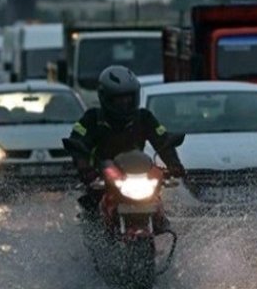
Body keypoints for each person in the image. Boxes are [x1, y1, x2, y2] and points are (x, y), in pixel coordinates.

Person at [66, 66, 185, 231]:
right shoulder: (92, 119)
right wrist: (84, 167)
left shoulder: (144, 117)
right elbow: (77, 141)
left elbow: (162, 140)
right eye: (119, 99)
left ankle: (159, 228)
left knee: (161, 212)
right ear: (105, 98)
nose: (125, 103)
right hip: (102, 179)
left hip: (137, 174)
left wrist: (174, 164)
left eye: (129, 98)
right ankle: (94, 243)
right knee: (91, 213)